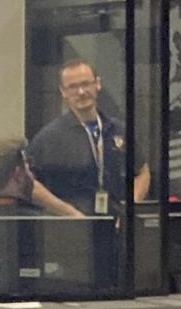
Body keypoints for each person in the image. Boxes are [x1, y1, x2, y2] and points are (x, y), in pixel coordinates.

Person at [27, 58, 151, 216]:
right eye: (73, 87)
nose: (81, 92)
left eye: (86, 84)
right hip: (73, 231)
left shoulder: (118, 130)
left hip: (118, 226)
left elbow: (142, 172)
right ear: (63, 91)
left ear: (97, 84)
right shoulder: (49, 138)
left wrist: (129, 210)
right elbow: (29, 184)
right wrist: (70, 214)